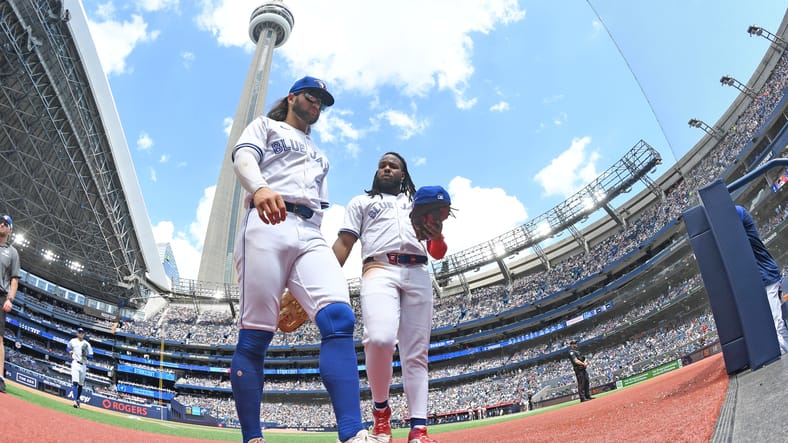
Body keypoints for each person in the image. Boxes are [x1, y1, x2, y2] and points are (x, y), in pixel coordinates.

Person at [229, 76, 378, 443]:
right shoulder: (266, 125)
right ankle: (252, 437)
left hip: (310, 230)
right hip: (266, 219)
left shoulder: (320, 155)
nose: (317, 105)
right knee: (255, 338)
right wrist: (259, 187)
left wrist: (300, 283)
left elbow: (319, 206)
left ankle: (352, 432)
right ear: (293, 97)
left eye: (322, 102)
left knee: (340, 317)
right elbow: (243, 156)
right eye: (312, 97)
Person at [332, 152, 447, 443]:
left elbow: (438, 252)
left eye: (392, 166)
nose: (385, 168)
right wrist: (325, 278)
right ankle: (381, 411)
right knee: (380, 339)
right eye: (381, 165)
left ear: (403, 174)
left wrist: (437, 236)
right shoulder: (362, 202)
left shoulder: (418, 205)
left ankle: (419, 430)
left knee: (416, 354)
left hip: (418, 270)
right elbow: (345, 242)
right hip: (378, 268)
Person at [736, 205, 788, 354]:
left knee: (776, 322)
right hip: (759, 280)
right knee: (769, 322)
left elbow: (736, 214)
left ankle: (784, 354)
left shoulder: (739, 211)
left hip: (768, 276)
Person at [0, 214, 20, 394]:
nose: (1, 225)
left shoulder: (12, 252)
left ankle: (0, 378)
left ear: (10, 229)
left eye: (5, 223)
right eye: (0, 222)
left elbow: (14, 280)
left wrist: (10, 299)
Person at [67, 327, 93, 408]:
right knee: (75, 382)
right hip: (75, 363)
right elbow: (67, 348)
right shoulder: (73, 341)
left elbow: (91, 355)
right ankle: (74, 401)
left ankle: (78, 399)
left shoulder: (87, 344)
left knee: (80, 384)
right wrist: (69, 351)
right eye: (79, 332)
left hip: (83, 365)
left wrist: (86, 355)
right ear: (77, 333)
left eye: (82, 332)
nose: (81, 334)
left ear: (84, 334)